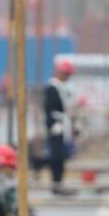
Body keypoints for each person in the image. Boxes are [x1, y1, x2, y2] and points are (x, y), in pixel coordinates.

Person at [42, 58, 74, 194]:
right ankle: (56, 183)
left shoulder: (61, 87)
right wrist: (54, 124)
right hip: (56, 125)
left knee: (61, 155)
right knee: (56, 155)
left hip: (62, 124)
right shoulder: (51, 87)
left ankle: (59, 181)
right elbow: (49, 108)